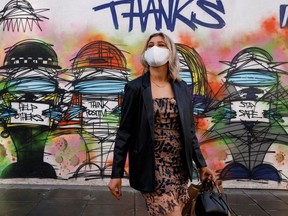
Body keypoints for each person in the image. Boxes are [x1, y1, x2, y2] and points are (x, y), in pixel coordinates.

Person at [108, 32, 214, 216]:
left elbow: (189, 131)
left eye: (161, 44)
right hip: (152, 168)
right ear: (145, 53)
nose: (155, 48)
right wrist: (116, 174)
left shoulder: (181, 87)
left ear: (171, 52)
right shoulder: (135, 88)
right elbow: (124, 132)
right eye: (150, 45)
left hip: (179, 167)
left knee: (181, 211)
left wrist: (202, 165)